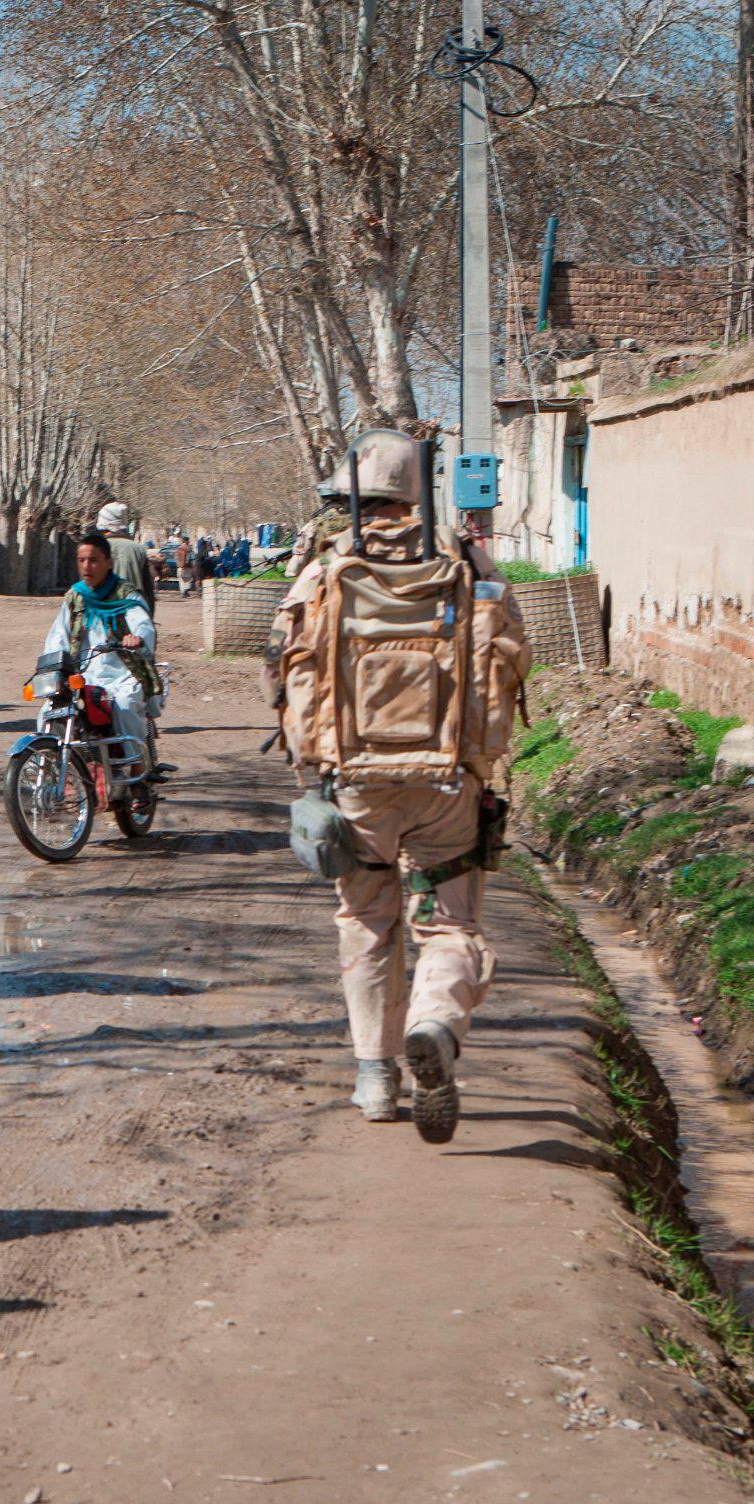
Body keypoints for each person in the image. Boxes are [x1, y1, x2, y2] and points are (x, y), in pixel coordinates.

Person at [263, 429, 526, 1140]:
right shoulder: (464, 559)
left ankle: (376, 1079)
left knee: (368, 924)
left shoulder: (326, 569)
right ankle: (436, 1023)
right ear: (414, 489)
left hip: (355, 784)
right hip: (449, 784)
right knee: (450, 926)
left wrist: (310, 772)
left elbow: (285, 668)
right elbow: (513, 652)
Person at [44, 533, 164, 783]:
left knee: (124, 706)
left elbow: (143, 624)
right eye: (82, 560)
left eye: (94, 560)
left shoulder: (126, 595)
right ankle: (55, 771)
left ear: (109, 562)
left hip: (125, 672)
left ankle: (137, 771)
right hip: (84, 675)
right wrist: (52, 666)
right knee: (49, 710)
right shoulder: (74, 597)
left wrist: (136, 638)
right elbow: (58, 637)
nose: (87, 566)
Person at [95, 500, 157, 610]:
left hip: (104, 613)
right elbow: (148, 590)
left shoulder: (96, 549)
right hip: (134, 614)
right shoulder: (139, 550)